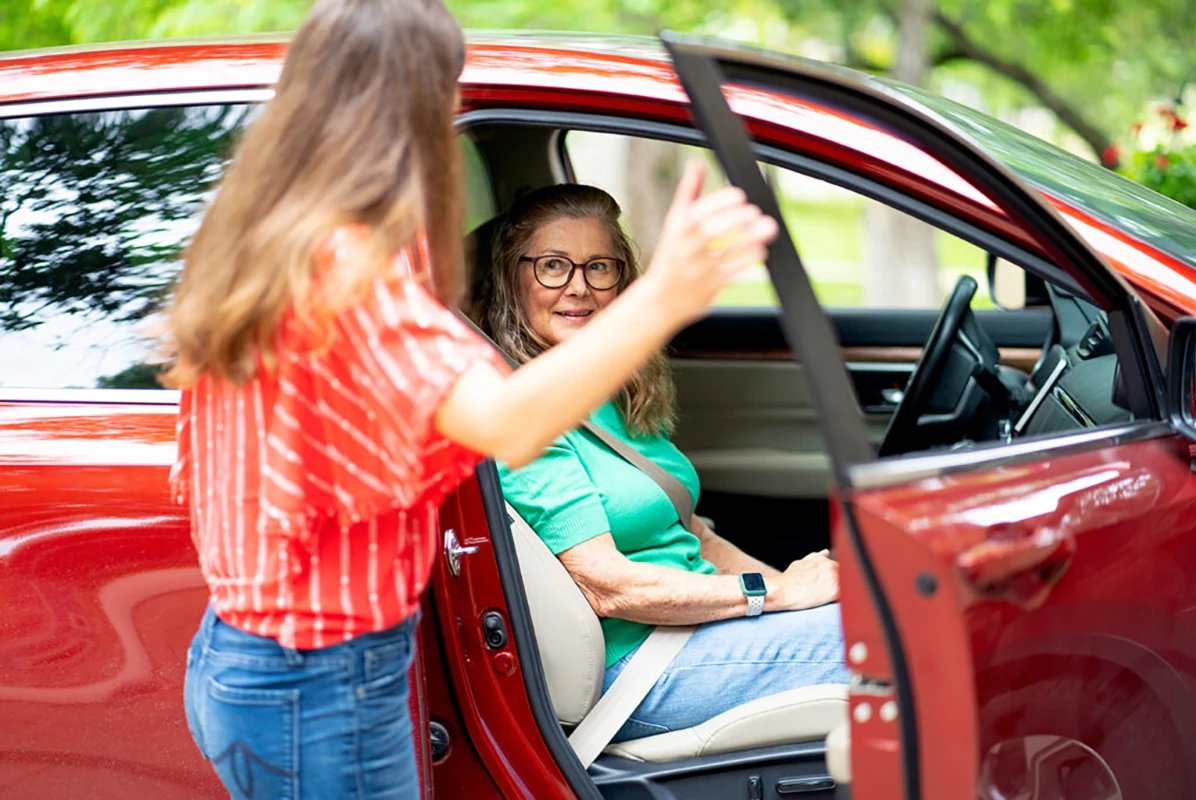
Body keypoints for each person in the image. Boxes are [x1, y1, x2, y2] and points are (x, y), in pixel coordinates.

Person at [161, 0, 778, 797]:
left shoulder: (263, 238)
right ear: (412, 106)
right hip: (315, 679)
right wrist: (663, 296)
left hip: (265, 655)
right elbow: (505, 424)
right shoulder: (347, 268)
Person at [486, 183, 848, 743]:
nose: (579, 288)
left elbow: (694, 534)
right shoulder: (531, 415)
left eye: (599, 267)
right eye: (553, 266)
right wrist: (776, 595)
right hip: (638, 664)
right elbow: (609, 587)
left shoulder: (612, 389)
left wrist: (798, 596)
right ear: (514, 279)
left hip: (698, 626)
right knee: (896, 642)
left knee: (879, 616)